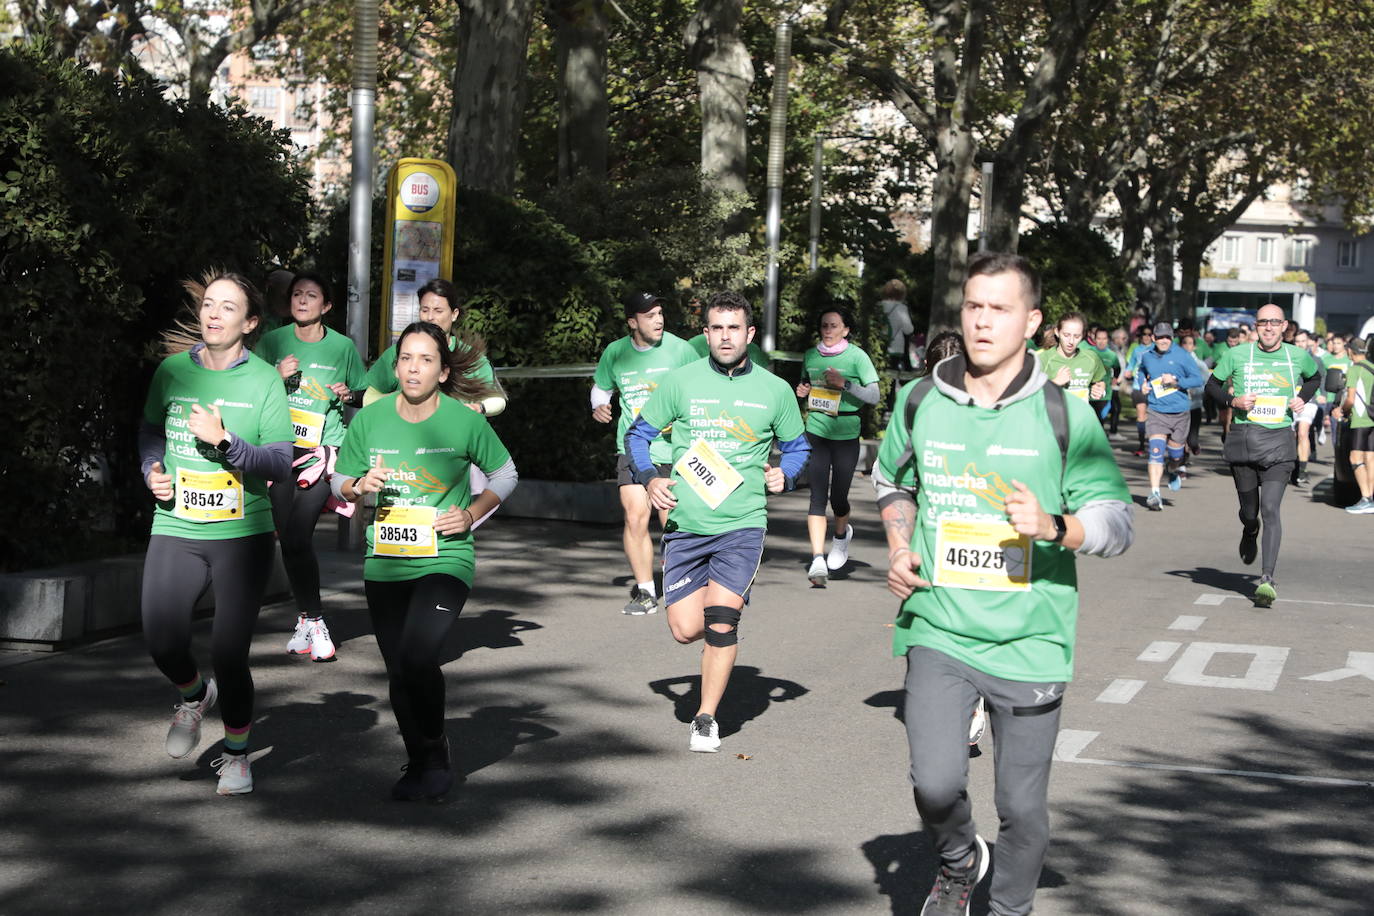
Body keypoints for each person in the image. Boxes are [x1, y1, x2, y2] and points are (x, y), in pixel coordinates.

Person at [874, 252, 1132, 916]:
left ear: (1033, 321)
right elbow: (890, 479)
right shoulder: (922, 396)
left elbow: (1116, 522)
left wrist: (1055, 525)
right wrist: (900, 544)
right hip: (939, 623)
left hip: (1030, 637)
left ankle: (1009, 909)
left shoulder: (1063, 415)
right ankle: (960, 859)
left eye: (1001, 308)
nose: (983, 321)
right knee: (934, 785)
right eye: (973, 306)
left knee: (1020, 805)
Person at [332, 321, 517, 801]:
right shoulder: (369, 421)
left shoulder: (463, 420)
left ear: (442, 370)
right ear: (396, 368)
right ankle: (419, 758)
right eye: (406, 359)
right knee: (398, 668)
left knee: (418, 657)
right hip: (386, 559)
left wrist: (472, 513)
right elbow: (341, 479)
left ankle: (435, 753)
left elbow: (506, 472)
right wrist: (356, 487)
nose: (414, 368)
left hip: (445, 558)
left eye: (426, 360)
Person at [625, 291, 810, 753]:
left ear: (749, 333)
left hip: (743, 523)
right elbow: (639, 434)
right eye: (716, 328)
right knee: (687, 629)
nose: (725, 337)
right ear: (705, 333)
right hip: (687, 524)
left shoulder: (775, 389)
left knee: (722, 621)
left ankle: (706, 716)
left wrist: (783, 474)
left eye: (734, 328)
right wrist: (649, 478)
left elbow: (799, 447)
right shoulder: (680, 381)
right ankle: (714, 609)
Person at [139, 270, 293, 795]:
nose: (213, 313)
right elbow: (151, 432)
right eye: (209, 304)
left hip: (241, 532)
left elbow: (279, 460)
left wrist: (225, 441)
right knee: (161, 638)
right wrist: (151, 470)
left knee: (230, 652)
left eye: (228, 307)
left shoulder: (265, 379)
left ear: (249, 323)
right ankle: (192, 694)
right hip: (177, 522)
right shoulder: (172, 371)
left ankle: (236, 753)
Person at [255, 271, 368, 661]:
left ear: (327, 305)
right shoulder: (272, 342)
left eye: (312, 295)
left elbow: (366, 394)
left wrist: (348, 392)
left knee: (300, 534)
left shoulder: (342, 348)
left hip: (322, 451)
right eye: (297, 295)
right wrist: (274, 375)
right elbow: (246, 390)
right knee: (287, 536)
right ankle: (305, 618)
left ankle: (316, 620)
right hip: (279, 450)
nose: (303, 300)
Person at [1205, 303, 1320, 607]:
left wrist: (1301, 398)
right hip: (1244, 441)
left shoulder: (1297, 355)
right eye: (1263, 322)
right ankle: (1248, 528)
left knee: (1271, 509)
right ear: (1256, 326)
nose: (1269, 327)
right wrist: (1234, 400)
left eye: (1275, 322)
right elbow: (1212, 386)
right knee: (1250, 512)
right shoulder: (1237, 354)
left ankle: (1266, 579)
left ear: (1285, 327)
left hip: (1280, 443)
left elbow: (1315, 378)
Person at [590, 292, 697, 614]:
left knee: (672, 520)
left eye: (660, 313)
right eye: (650, 315)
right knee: (635, 515)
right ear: (633, 322)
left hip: (674, 449)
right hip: (633, 447)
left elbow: (703, 386)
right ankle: (646, 592)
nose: (659, 320)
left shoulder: (681, 349)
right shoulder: (616, 352)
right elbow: (601, 386)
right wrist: (599, 405)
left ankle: (683, 583)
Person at [793, 305, 881, 586]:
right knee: (817, 495)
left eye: (833, 326)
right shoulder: (811, 355)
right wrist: (802, 391)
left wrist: (845, 384)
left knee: (838, 497)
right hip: (817, 428)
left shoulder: (857, 357)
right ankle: (818, 559)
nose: (828, 330)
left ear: (846, 330)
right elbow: (805, 384)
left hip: (846, 431)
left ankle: (841, 537)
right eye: (824, 326)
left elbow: (875, 395)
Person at [362, 278, 506, 417]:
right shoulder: (397, 352)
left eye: (438, 310)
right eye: (424, 310)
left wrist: (479, 407)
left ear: (454, 314)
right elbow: (368, 396)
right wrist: (400, 401)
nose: (430, 317)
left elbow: (496, 399)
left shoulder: (472, 358)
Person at [1137, 322, 1203, 510]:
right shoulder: (1147, 356)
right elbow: (1141, 371)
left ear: (1172, 338)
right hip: (1157, 411)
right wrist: (1142, 383)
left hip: (1180, 413)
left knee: (1175, 456)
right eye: (1160, 337)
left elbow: (1198, 380)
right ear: (1153, 338)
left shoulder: (1182, 355)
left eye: (1167, 337)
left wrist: (1176, 381)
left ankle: (1172, 470)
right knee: (1155, 451)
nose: (1164, 341)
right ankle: (1155, 493)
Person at [1036, 312, 1107, 405]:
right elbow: (1031, 396)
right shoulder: (1043, 359)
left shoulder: (1092, 358)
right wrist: (1056, 383)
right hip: (1053, 417)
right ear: (1057, 332)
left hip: (1081, 417)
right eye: (1066, 335)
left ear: (1083, 335)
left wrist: (1099, 390)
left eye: (1077, 336)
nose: (1071, 341)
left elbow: (1100, 382)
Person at [1290, 328, 1326, 486]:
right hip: (1289, 400)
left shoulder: (1316, 360)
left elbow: (1321, 379)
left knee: (1303, 433)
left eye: (1303, 341)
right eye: (1297, 341)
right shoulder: (1287, 358)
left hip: (1308, 401)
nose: (1300, 344)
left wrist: (1321, 393)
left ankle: (1303, 471)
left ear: (1308, 343)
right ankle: (1290, 467)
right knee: (1290, 436)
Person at [1342, 337, 1374, 513]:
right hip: (1373, 419)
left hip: (1360, 419)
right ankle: (1370, 499)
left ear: (1350, 351)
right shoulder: (1372, 367)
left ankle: (1365, 498)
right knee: (1370, 459)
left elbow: (1350, 400)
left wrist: (1342, 411)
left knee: (1355, 459)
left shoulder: (1354, 370)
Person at [879, 279, 914, 370]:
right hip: (895, 346)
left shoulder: (878, 306)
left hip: (878, 344)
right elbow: (908, 329)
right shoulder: (901, 308)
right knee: (892, 374)